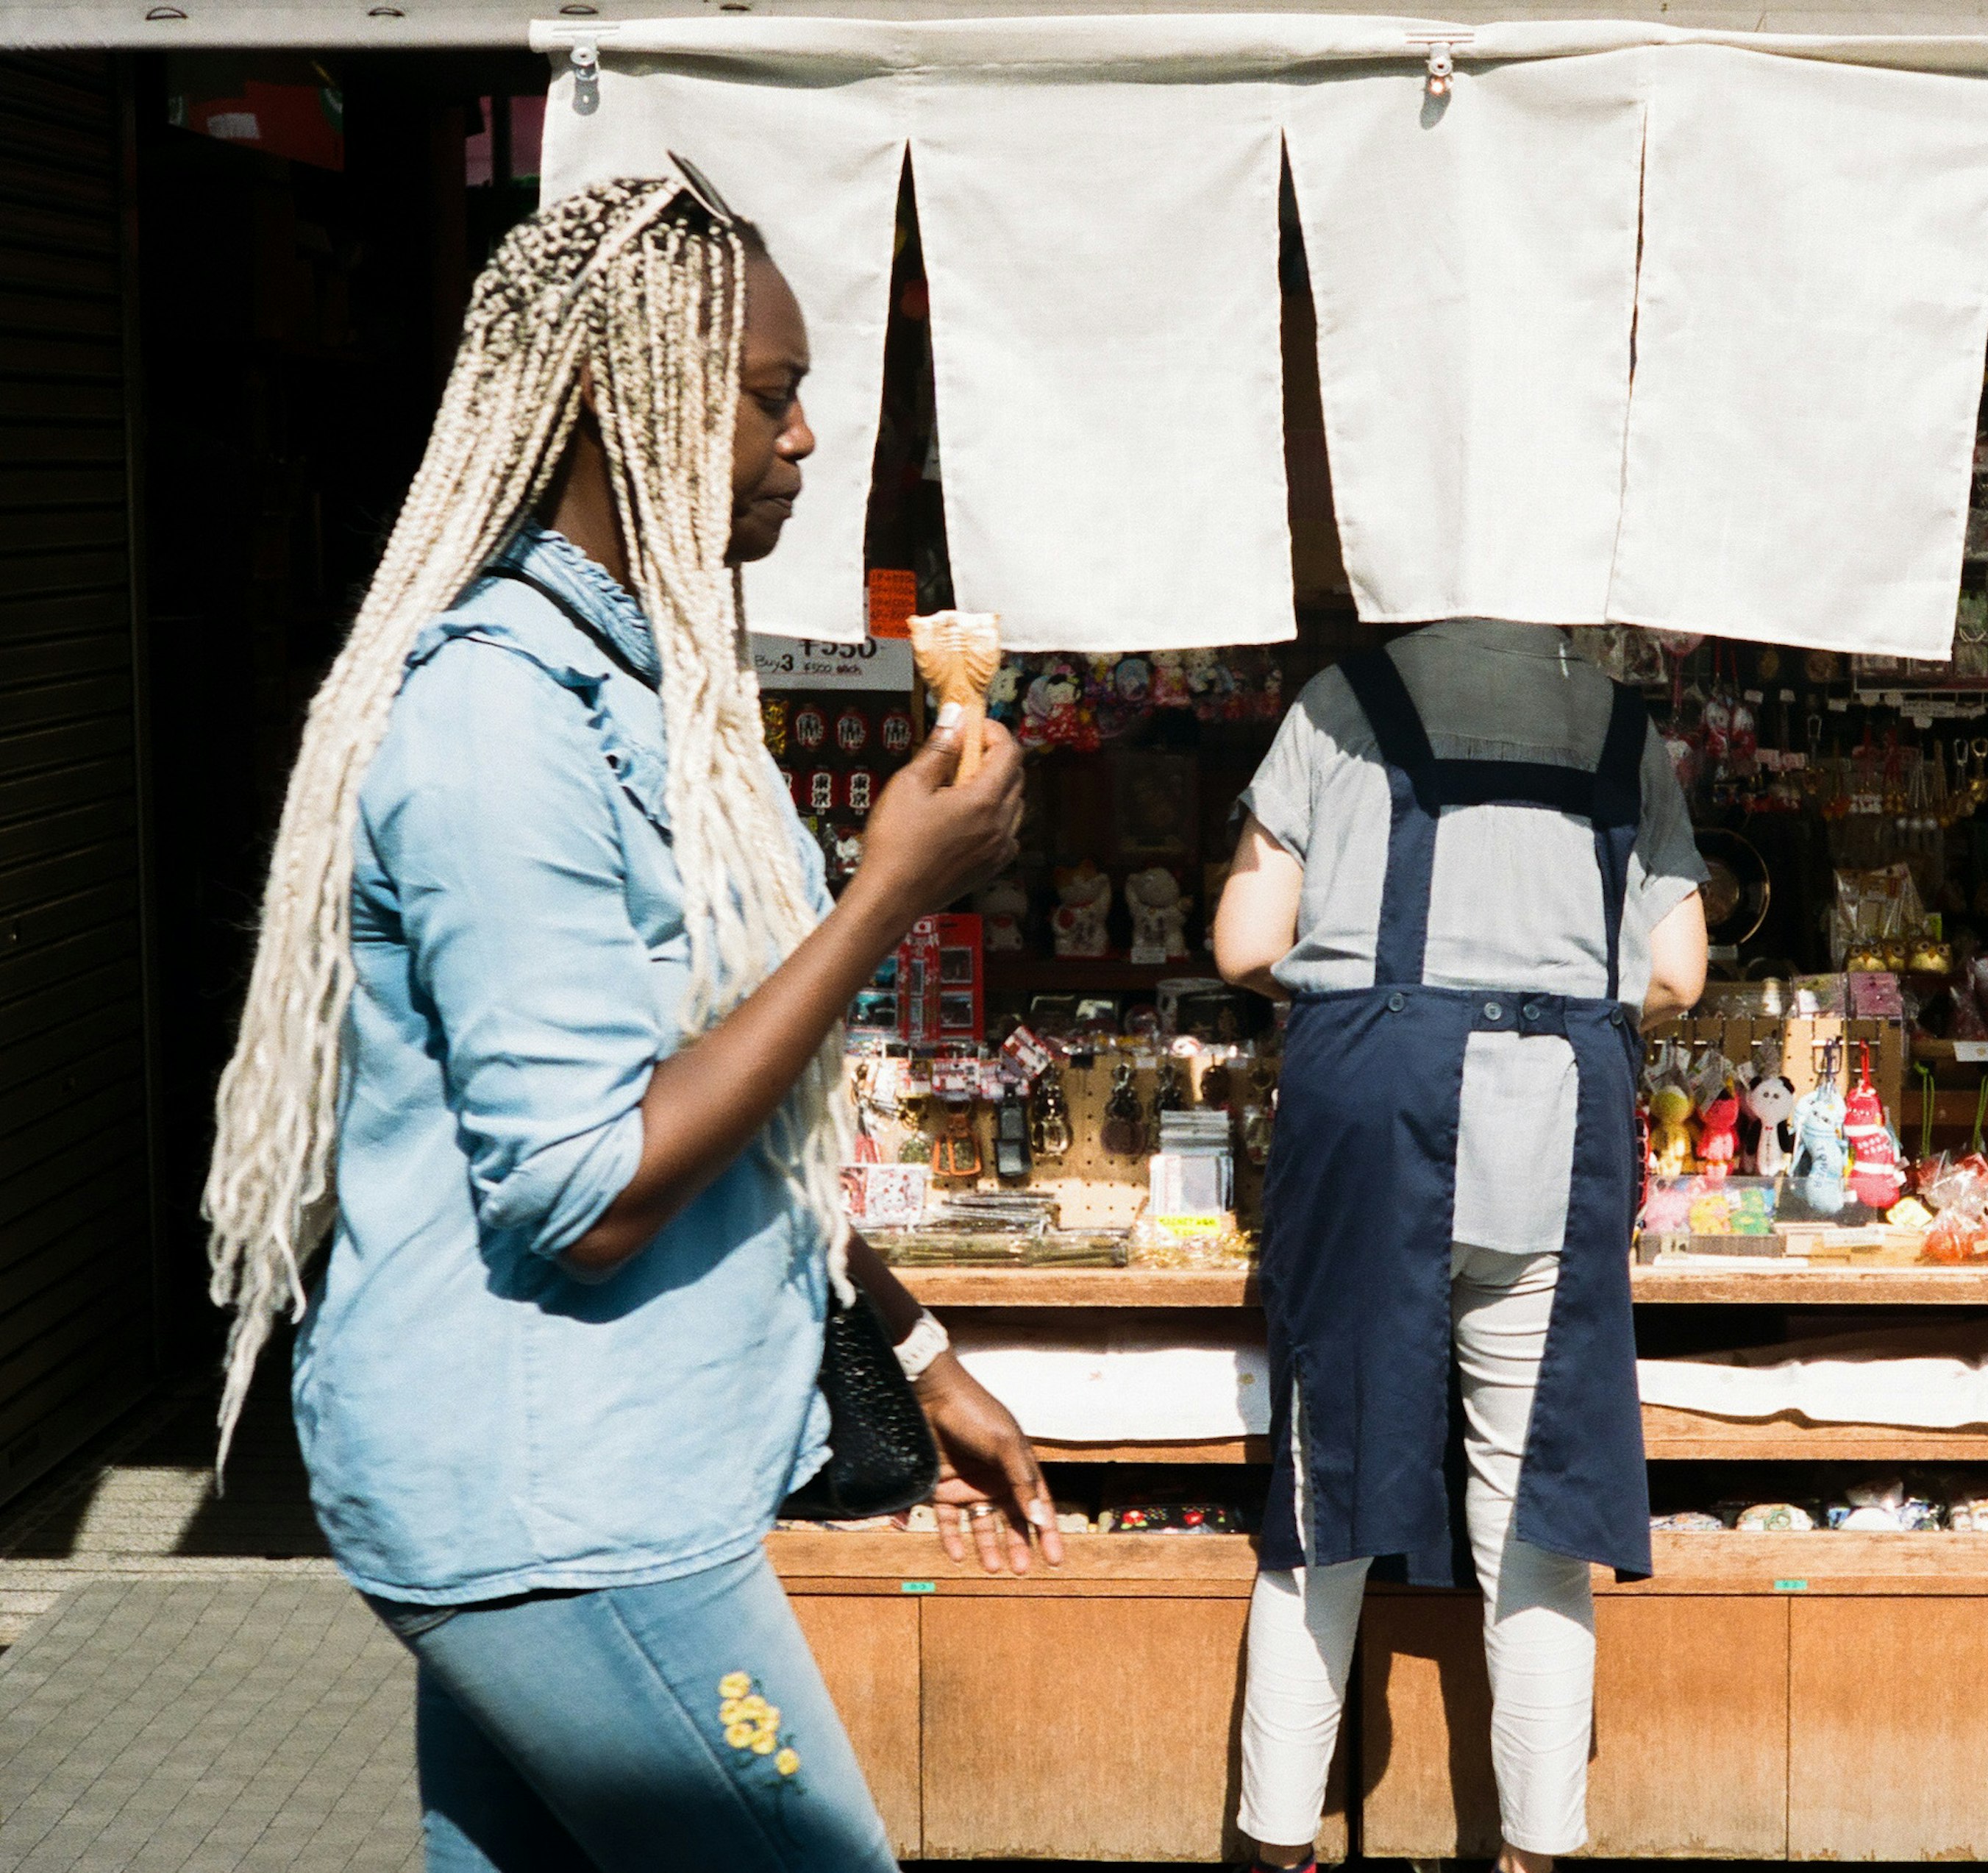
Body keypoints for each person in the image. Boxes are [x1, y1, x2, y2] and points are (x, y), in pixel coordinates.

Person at [200, 172, 1059, 1873]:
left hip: (575, 1492)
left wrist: (909, 1341)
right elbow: (586, 1190)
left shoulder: (641, 695)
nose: (807, 440)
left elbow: (700, 1104)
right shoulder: (498, 720)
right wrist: (888, 896)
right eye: (768, 394)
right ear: (623, 395)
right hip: (558, 1507)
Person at [1211, 621, 1708, 1873]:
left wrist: (1368, 980)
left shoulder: (1342, 700)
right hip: (1555, 1123)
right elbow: (1681, 974)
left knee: (1326, 1507)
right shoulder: (1617, 721)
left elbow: (1243, 945)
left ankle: (1280, 1850)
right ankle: (1533, 1856)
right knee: (1536, 1510)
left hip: (1376, 1118)